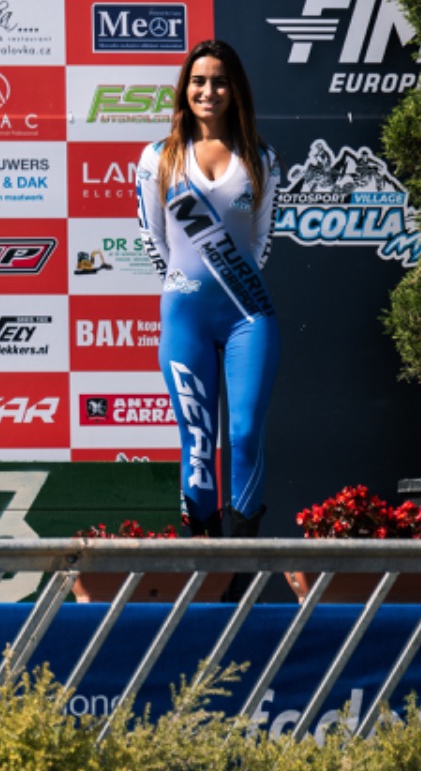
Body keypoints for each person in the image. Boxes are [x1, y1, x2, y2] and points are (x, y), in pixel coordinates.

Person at [135, 39, 279, 543]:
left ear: (235, 90)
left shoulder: (261, 157)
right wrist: (183, 283)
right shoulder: (158, 157)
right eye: (198, 81)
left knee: (245, 434)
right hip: (186, 317)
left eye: (220, 81)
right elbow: (152, 237)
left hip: (249, 315)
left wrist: (233, 282)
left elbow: (260, 241)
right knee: (198, 442)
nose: (208, 91)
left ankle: (243, 559)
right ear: (185, 88)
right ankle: (203, 565)